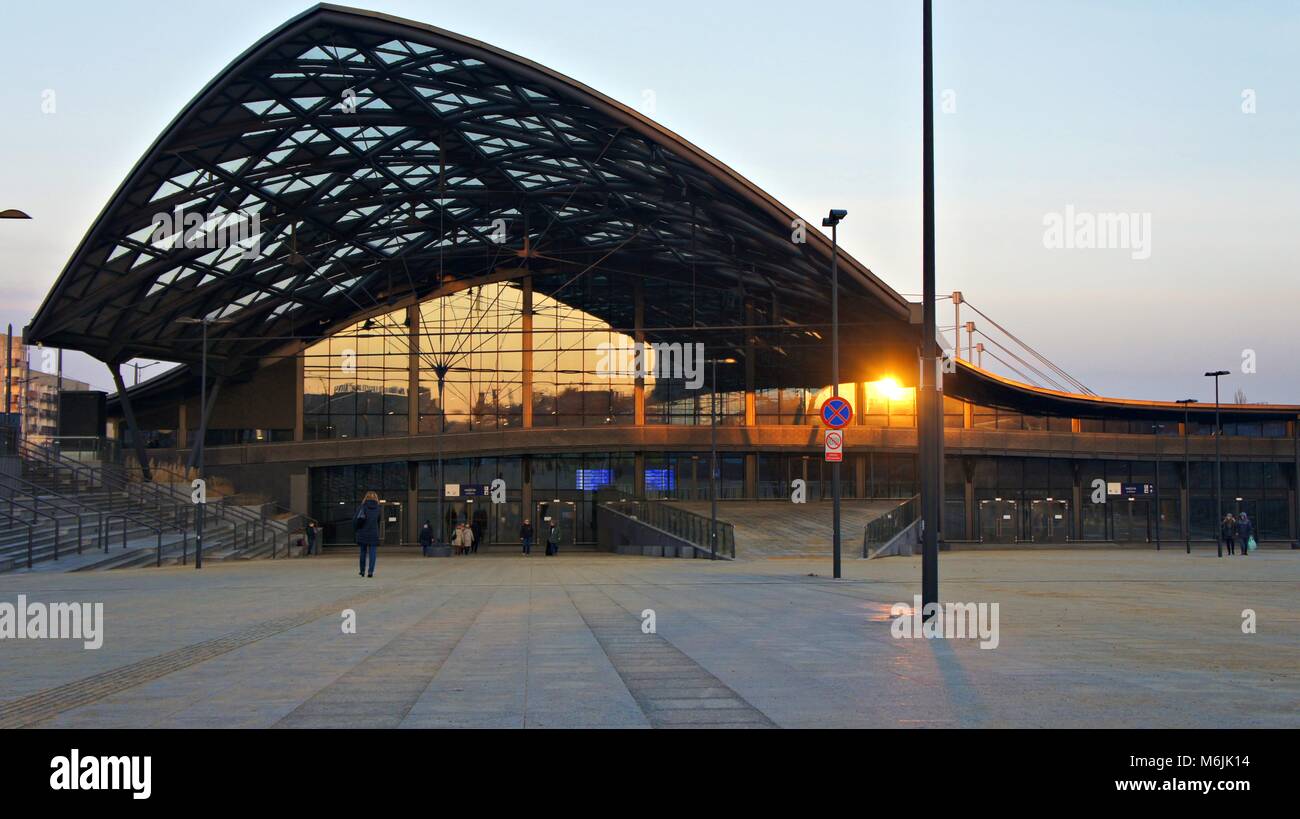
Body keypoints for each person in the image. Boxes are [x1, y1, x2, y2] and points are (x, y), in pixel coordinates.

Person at [355, 491, 381, 577]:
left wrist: (357, 528)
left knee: (363, 552)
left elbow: (357, 519)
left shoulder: (362, 507)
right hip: (373, 532)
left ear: (366, 497)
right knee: (372, 553)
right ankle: (370, 572)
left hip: (363, 532)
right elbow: (378, 521)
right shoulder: (378, 508)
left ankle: (362, 571)